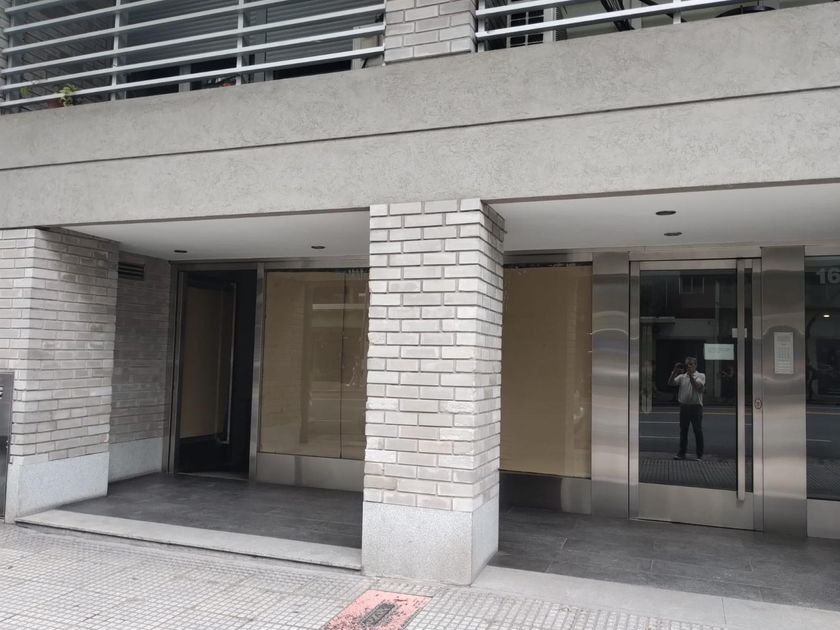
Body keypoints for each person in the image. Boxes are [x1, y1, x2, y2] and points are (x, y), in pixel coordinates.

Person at [668, 356, 705, 461]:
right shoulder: (682, 377)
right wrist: (675, 371)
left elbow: (697, 386)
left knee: (697, 431)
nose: (689, 366)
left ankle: (699, 455)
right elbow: (670, 383)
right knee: (683, 431)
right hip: (684, 407)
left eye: (691, 364)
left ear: (695, 365)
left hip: (696, 407)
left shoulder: (700, 375)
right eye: (687, 364)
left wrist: (690, 375)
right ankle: (681, 453)